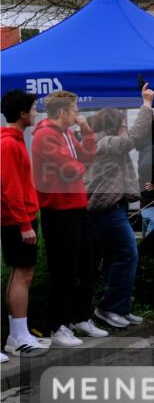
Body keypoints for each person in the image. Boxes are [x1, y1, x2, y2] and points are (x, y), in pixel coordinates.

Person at [31, 90, 98, 347]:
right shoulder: (45, 135)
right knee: (64, 268)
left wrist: (87, 132)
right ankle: (57, 325)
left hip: (77, 205)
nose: (77, 114)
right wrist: (81, 165)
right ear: (63, 112)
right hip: (58, 209)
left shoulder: (68, 133)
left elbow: (86, 157)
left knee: (87, 263)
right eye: (75, 110)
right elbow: (70, 168)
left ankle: (79, 316)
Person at [85, 86, 154, 329]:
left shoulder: (107, 142)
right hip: (107, 208)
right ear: (116, 126)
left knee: (118, 257)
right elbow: (135, 136)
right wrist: (146, 104)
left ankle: (120, 307)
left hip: (116, 205)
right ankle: (109, 307)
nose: (126, 127)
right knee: (128, 253)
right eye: (123, 124)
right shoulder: (104, 143)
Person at [1, 90, 48, 358]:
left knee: (22, 273)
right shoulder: (8, 144)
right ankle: (19, 336)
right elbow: (10, 189)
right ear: (22, 113)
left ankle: (18, 333)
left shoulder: (14, 140)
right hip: (18, 219)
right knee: (23, 274)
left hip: (21, 217)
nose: (36, 112)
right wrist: (23, 223)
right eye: (33, 108)